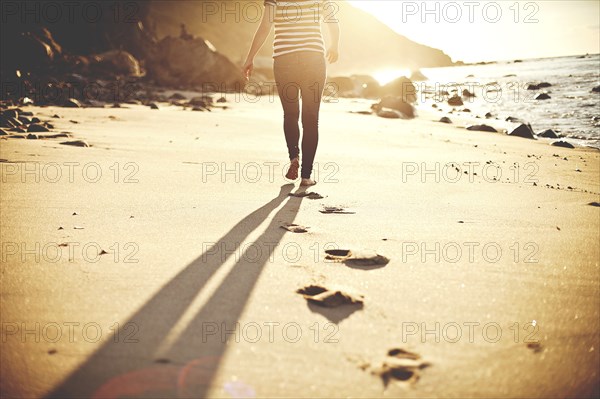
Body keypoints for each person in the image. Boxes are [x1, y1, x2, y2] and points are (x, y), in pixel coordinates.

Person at [242, 0, 340, 187]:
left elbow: (265, 26)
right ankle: (306, 176)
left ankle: (294, 157)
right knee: (311, 119)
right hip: (313, 59)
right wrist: (334, 45)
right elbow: (332, 22)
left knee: (290, 114)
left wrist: (250, 57)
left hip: (284, 60)